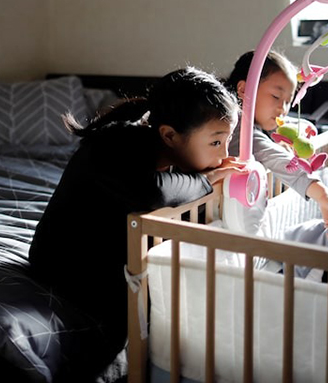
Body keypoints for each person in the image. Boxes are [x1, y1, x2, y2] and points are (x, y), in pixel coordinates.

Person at [29, 66, 247, 378]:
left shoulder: (161, 152)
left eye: (226, 142)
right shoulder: (115, 146)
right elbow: (153, 193)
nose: (224, 154)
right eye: (216, 143)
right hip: (59, 265)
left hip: (97, 252)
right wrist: (206, 181)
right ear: (169, 135)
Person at [225, 50, 328, 249]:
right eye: (276, 96)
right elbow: (270, 152)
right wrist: (323, 195)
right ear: (245, 90)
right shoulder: (235, 125)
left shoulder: (254, 121)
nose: (283, 109)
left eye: (289, 101)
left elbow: (284, 126)